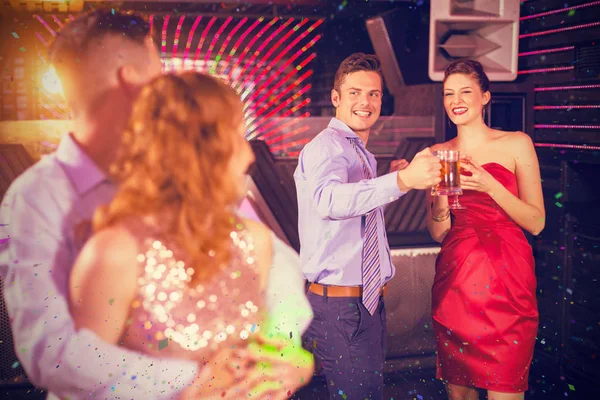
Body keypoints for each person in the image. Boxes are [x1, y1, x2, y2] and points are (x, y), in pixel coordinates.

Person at [0, 10, 311, 400]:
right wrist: (196, 381)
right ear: (130, 81)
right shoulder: (36, 197)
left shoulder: (193, 177)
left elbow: (273, 275)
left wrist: (284, 357)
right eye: (159, 71)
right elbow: (53, 354)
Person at [68, 70, 313, 399]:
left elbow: (279, 346)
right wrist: (190, 389)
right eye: (239, 137)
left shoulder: (255, 241)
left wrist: (295, 365)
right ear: (201, 151)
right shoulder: (115, 253)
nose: (250, 155)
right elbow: (76, 385)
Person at [294, 52, 442, 399]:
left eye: (373, 94)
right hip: (342, 309)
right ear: (336, 98)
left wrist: (395, 179)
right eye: (355, 92)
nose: (366, 101)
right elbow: (329, 202)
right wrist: (402, 180)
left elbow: (356, 211)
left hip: (364, 305)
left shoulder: (359, 152)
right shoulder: (327, 148)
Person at [427, 59, 544, 400]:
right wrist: (439, 202)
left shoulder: (516, 143)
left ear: (485, 97)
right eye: (449, 93)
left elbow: (537, 222)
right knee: (459, 394)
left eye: (465, 91)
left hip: (508, 281)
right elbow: (438, 234)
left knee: (506, 388)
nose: (456, 100)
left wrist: (490, 185)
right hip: (457, 282)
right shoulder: (439, 153)